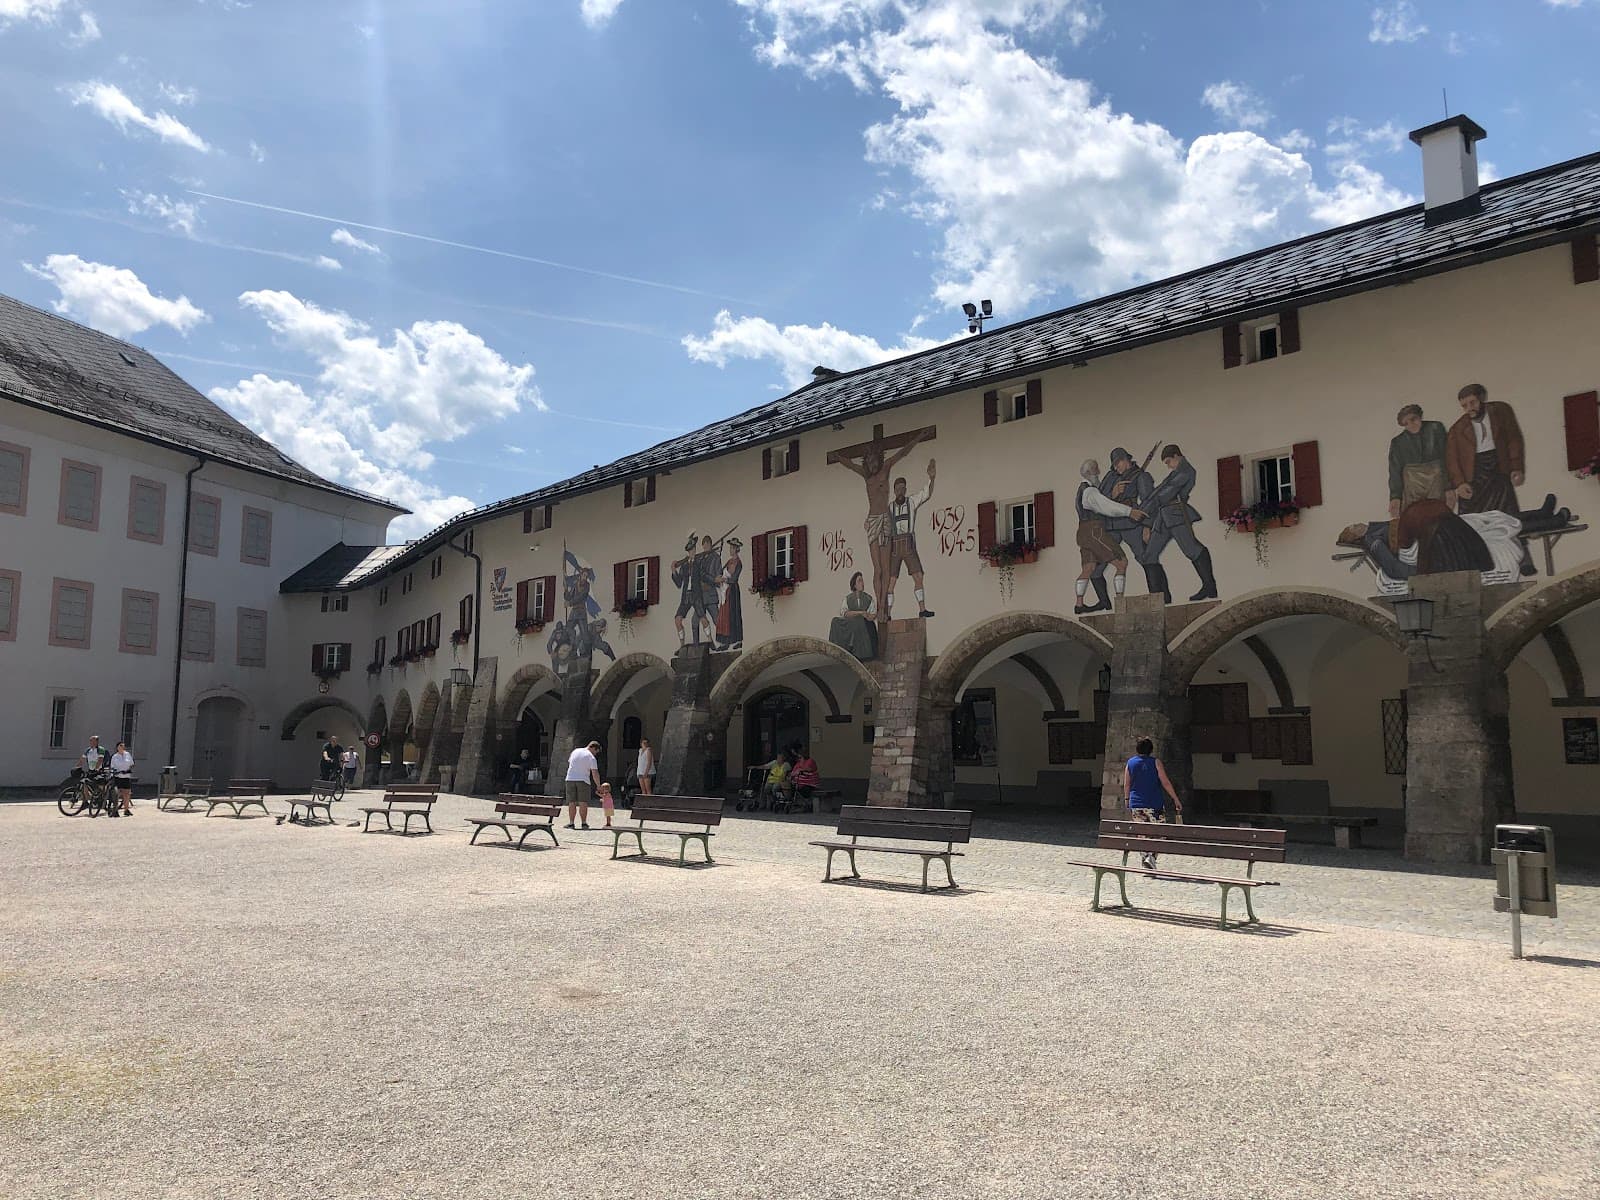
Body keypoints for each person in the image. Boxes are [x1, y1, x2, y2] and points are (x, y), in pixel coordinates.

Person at [832, 426, 934, 623]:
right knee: (877, 568)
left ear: (878, 459)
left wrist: (918, 437)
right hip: (873, 520)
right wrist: (837, 457)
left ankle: (883, 609)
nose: (871, 464)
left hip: (886, 520)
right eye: (868, 461)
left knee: (887, 569)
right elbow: (849, 465)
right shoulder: (865, 475)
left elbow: (902, 452)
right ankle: (880, 606)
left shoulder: (886, 468)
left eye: (874, 461)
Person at [1446, 382, 1533, 574]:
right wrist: (1459, 484)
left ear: (1482, 398)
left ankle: (1523, 560)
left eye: (1473, 402)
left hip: (1498, 470)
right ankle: (1471, 566)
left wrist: (1516, 467)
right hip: (1473, 476)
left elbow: (1513, 439)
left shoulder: (1501, 411)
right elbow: (1452, 460)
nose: (1470, 408)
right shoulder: (1457, 429)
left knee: (1510, 517)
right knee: (1469, 524)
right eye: (1465, 405)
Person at [1139, 444, 1216, 603]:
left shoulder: (1186, 471)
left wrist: (1145, 509)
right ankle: (1159, 597)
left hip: (1176, 515)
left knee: (1192, 550)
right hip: (1163, 517)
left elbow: (1165, 495)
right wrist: (1146, 519)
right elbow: (1157, 493)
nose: (1168, 466)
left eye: (1168, 461)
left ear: (1176, 456)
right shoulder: (1174, 473)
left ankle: (1209, 586)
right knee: (1148, 556)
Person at [1073, 458, 1141, 614]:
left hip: (1083, 532)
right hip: (1094, 531)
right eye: (1096, 470)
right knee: (1122, 562)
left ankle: (1079, 604)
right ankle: (1120, 600)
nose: (1099, 473)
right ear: (1090, 473)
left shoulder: (1082, 490)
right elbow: (1106, 506)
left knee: (1088, 568)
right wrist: (1129, 511)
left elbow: (1103, 502)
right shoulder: (1090, 491)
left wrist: (1112, 494)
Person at [1098, 447, 1159, 598]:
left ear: (1126, 460)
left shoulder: (1141, 476)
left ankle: (1158, 595)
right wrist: (1113, 493)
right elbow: (1099, 498)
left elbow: (1149, 501)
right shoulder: (1110, 477)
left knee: (1145, 557)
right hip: (1112, 525)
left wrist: (1147, 526)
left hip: (1131, 523)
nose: (1117, 466)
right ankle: (1104, 601)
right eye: (1114, 464)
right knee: (1100, 560)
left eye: (1118, 462)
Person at [884, 457, 937, 619]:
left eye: (902, 488)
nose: (900, 491)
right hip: (894, 545)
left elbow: (926, 493)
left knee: (918, 576)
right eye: (898, 488)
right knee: (891, 581)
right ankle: (887, 613)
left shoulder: (912, 501)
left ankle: (922, 609)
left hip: (908, 543)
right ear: (894, 491)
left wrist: (932, 478)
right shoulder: (889, 508)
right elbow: (879, 521)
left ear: (905, 489)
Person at [1123, 736, 1183, 870]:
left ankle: (1146, 857)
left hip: (1136, 804)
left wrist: (1127, 800)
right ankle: (1150, 857)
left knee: (1142, 833)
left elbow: (1127, 784)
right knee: (1160, 833)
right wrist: (1175, 798)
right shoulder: (1156, 762)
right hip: (1154, 803)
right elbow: (1165, 782)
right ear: (1151, 750)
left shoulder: (1130, 763)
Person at [828, 571, 878, 660]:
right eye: (859, 581)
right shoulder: (848, 598)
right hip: (851, 622)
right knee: (835, 621)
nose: (862, 583)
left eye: (862, 581)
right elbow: (845, 613)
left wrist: (867, 615)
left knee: (859, 622)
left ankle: (858, 650)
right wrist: (859, 613)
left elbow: (873, 615)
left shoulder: (868, 598)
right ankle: (837, 648)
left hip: (863, 623)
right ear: (854, 585)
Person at [564, 740, 603, 830]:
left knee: (571, 802)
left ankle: (571, 823)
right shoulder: (591, 757)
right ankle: (584, 823)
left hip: (570, 779)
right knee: (583, 802)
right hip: (583, 780)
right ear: (593, 748)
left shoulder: (575, 751)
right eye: (596, 752)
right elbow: (595, 772)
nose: (595, 754)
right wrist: (598, 785)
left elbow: (571, 763)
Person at [715, 537, 744, 650]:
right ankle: (724, 642)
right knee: (724, 615)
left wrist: (724, 580)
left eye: (732, 548)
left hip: (732, 591)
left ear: (736, 549)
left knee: (733, 616)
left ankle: (737, 640)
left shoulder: (738, 563)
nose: (730, 550)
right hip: (725, 590)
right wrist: (718, 577)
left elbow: (734, 578)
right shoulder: (729, 561)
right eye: (730, 548)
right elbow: (721, 571)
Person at [111, 741, 134, 816]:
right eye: (120, 746)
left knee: (127, 794)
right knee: (117, 794)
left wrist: (129, 769)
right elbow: (112, 767)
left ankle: (126, 809)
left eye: (123, 746)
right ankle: (115, 810)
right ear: (117, 747)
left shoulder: (127, 754)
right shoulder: (115, 756)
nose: (122, 747)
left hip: (126, 776)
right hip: (118, 777)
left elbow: (131, 764)